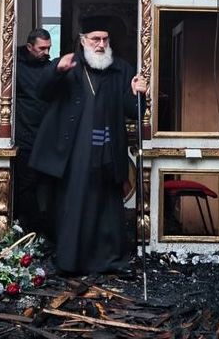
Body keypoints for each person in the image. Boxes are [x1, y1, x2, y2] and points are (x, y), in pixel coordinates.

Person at [29, 16, 147, 275]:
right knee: (75, 204)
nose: (101, 44)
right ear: (83, 41)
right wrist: (56, 71)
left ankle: (109, 260)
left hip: (108, 150)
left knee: (107, 207)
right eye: (95, 39)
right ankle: (71, 262)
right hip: (75, 152)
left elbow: (134, 111)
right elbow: (42, 93)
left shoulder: (121, 69)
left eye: (105, 39)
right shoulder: (69, 65)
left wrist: (139, 93)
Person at [14, 29, 54, 239]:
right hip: (26, 135)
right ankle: (31, 231)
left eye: (49, 48)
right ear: (30, 47)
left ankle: (48, 229)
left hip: (48, 136)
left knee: (49, 183)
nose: (46, 52)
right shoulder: (14, 66)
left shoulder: (50, 67)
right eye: (42, 48)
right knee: (27, 185)